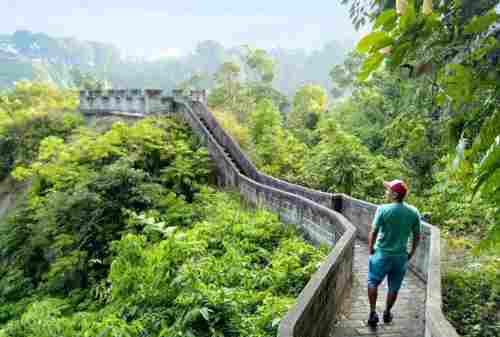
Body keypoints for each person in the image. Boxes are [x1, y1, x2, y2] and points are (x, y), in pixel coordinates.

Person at [367, 179, 421, 327]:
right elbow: (417, 236)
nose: (387, 192)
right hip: (400, 257)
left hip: (382, 254)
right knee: (394, 287)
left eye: (389, 190)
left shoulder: (383, 209)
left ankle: (372, 313)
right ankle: (387, 312)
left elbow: (374, 230)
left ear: (395, 194)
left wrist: (371, 248)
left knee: (372, 282)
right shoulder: (413, 212)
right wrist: (411, 252)